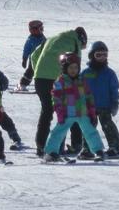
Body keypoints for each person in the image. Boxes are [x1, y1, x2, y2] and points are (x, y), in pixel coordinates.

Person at [29, 27, 88, 155]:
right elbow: (75, 65)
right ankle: (74, 144)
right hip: (59, 81)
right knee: (69, 111)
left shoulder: (51, 39)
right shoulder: (75, 43)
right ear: (82, 39)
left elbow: (33, 56)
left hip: (40, 79)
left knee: (46, 111)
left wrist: (39, 72)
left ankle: (41, 146)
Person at [44, 52, 105, 162]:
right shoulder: (60, 81)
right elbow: (56, 98)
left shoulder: (82, 81)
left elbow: (88, 96)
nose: (73, 70)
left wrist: (91, 111)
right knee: (58, 133)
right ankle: (51, 152)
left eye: (76, 67)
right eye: (71, 68)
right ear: (64, 68)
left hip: (82, 113)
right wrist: (59, 113)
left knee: (90, 131)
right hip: (67, 113)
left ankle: (98, 151)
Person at [71, 41, 119, 157]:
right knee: (88, 127)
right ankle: (88, 148)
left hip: (105, 106)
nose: (102, 58)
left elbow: (114, 89)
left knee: (107, 125)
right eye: (98, 55)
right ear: (91, 56)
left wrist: (115, 103)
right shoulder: (85, 73)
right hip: (89, 107)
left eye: (104, 55)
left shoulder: (109, 73)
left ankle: (116, 146)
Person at [18, 20, 46, 90]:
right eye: (40, 29)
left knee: (43, 73)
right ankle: (22, 84)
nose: (41, 30)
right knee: (30, 72)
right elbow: (26, 50)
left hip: (42, 59)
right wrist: (24, 59)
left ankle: (43, 86)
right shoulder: (30, 40)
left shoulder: (43, 38)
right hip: (33, 59)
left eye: (42, 28)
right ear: (33, 30)